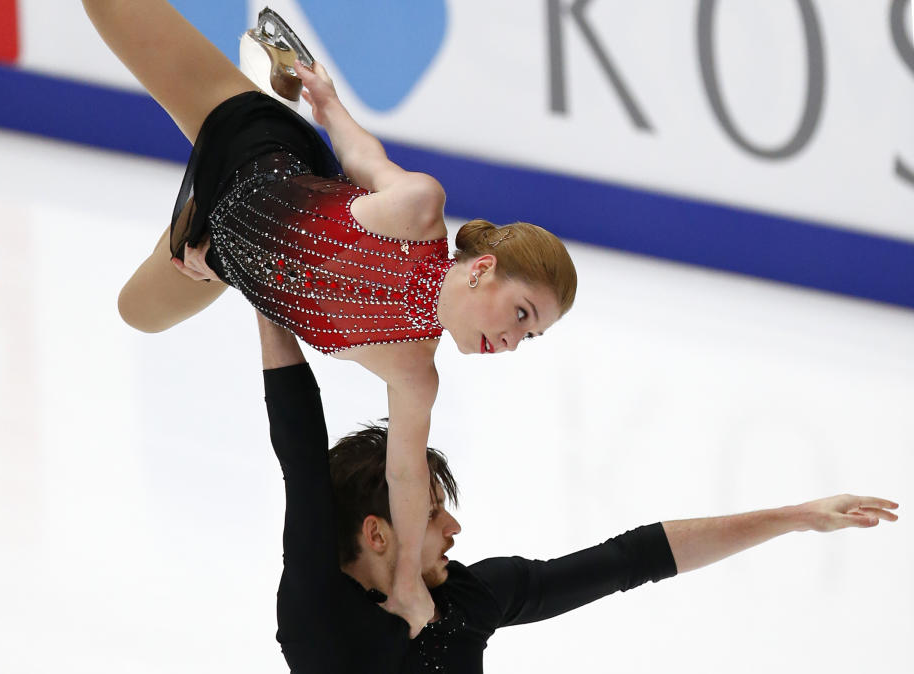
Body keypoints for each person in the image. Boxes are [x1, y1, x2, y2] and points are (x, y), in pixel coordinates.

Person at [82, 1, 576, 634]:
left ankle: (208, 240)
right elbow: (363, 155)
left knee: (138, 313)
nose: (511, 342)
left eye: (528, 337)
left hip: (235, 249)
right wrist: (323, 95)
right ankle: (212, 232)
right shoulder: (418, 212)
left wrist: (405, 587)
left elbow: (405, 474)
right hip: (256, 146)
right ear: (482, 271)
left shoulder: (414, 376)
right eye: (521, 314)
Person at [255, 312, 898, 673]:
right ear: (376, 533)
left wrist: (795, 516)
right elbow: (300, 452)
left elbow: (635, 558)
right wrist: (265, 296)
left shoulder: (470, 600)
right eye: (434, 515)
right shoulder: (320, 613)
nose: (454, 531)